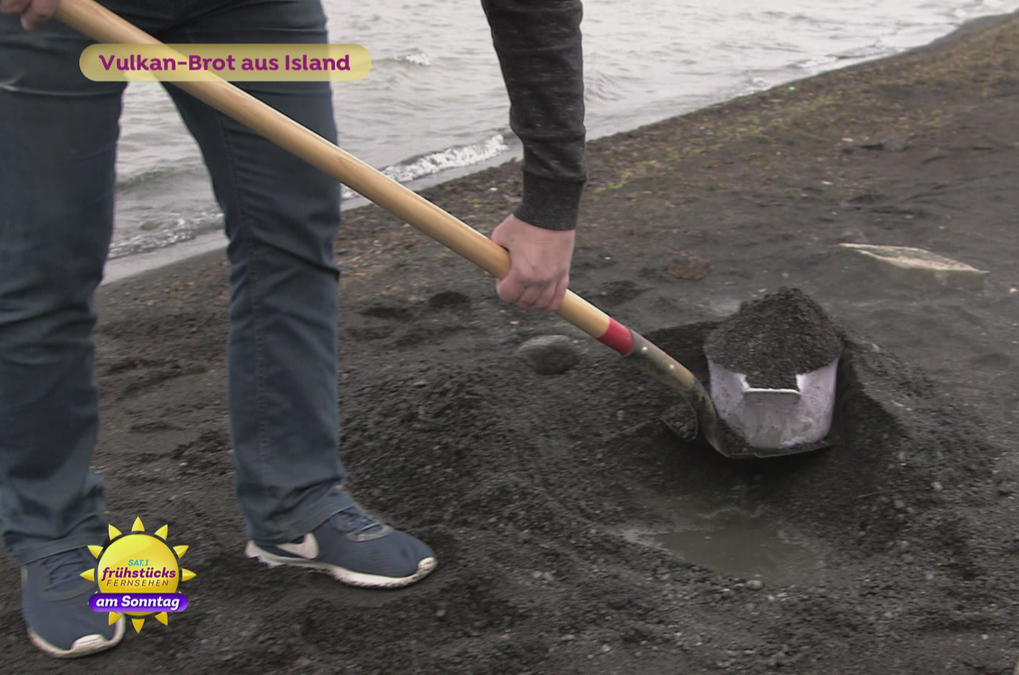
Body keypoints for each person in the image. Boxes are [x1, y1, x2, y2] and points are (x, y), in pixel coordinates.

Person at [0, 0, 586, 659]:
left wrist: (552, 197)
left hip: (249, 10)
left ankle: (295, 504)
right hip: (52, 16)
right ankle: (51, 530)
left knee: (293, 237)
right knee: (43, 267)